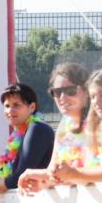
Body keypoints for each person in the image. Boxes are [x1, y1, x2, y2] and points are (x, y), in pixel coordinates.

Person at [0, 83, 54, 203]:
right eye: (7, 106)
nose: (10, 110)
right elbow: (2, 176)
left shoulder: (37, 129)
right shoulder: (17, 135)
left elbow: (19, 178)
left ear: (31, 107)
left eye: (16, 105)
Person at [44, 67, 102, 187]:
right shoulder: (66, 124)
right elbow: (87, 173)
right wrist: (41, 180)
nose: (96, 101)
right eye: (93, 96)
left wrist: (73, 173)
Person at [18, 64, 90, 194]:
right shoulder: (63, 125)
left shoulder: (100, 123)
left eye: (70, 91)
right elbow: (53, 172)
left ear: (86, 92)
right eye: (57, 92)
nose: (62, 98)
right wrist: (40, 181)